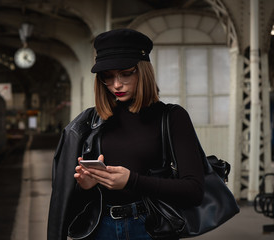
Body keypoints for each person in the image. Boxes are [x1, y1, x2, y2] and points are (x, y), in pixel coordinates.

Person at [48, 28, 205, 240]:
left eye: (125, 73)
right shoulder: (91, 122)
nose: (116, 84)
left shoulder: (172, 117)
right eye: (108, 76)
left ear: (143, 70)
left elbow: (194, 190)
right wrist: (86, 186)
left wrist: (132, 181)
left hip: (151, 229)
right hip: (99, 229)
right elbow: (67, 200)